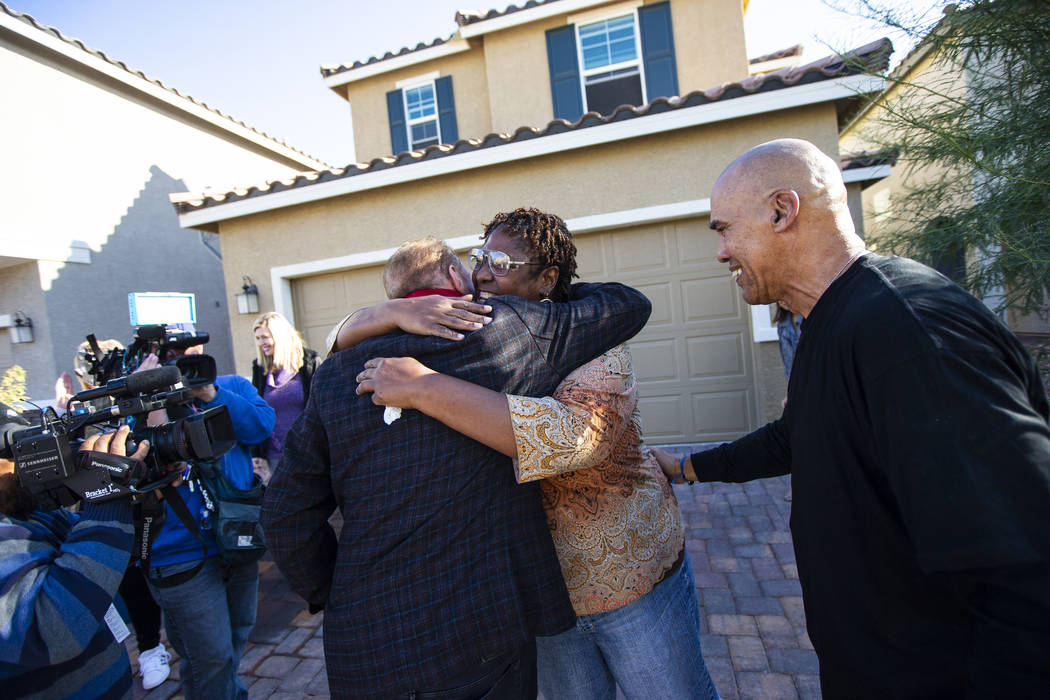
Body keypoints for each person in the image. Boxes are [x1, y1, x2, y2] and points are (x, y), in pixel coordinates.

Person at [651, 138, 1050, 697]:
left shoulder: (908, 333)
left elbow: (1024, 570)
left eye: (723, 229)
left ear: (782, 210)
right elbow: (800, 436)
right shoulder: (829, 318)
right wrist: (688, 466)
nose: (721, 251)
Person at [261, 232, 653, 699]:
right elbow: (626, 305)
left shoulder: (335, 373)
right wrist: (551, 287)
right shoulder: (505, 328)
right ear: (453, 275)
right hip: (474, 643)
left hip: (362, 651)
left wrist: (335, 593)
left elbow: (283, 516)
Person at [352, 209, 719, 699]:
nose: (481, 273)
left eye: (500, 261)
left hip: (630, 577)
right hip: (542, 591)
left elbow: (573, 439)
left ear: (547, 279)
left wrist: (425, 389)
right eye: (480, 257)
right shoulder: (471, 337)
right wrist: (384, 313)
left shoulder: (592, 338)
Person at [140, 352, 275, 700]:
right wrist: (148, 396)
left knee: (236, 637)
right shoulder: (141, 394)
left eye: (189, 353)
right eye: (171, 356)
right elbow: (144, 462)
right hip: (183, 550)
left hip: (236, 535)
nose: (183, 361)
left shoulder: (231, 386)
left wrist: (210, 395)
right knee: (210, 655)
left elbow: (261, 426)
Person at [0, 424, 152, 699]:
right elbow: (52, 632)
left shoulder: (28, 514)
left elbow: (108, 554)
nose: (19, 464)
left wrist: (141, 490)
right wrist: (105, 497)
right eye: (10, 453)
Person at [250, 312, 319, 483]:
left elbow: (321, 406)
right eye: (257, 338)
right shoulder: (259, 369)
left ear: (279, 336)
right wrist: (256, 452)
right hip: (275, 455)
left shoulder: (309, 362)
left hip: (308, 450)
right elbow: (256, 410)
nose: (260, 344)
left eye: (264, 337)